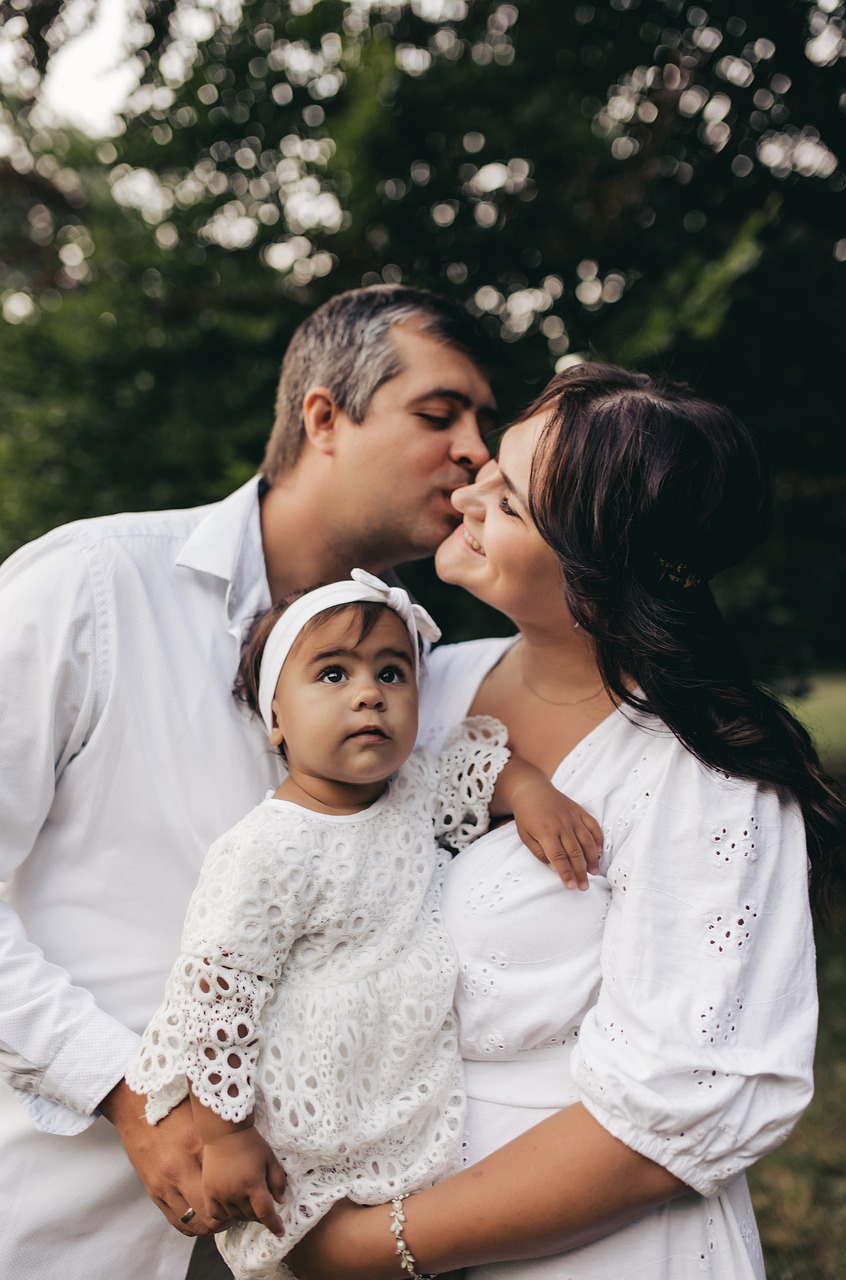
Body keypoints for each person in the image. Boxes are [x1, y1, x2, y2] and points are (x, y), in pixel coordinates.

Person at [285, 363, 846, 1280]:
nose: (465, 493)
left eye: (507, 503)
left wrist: (372, 1246)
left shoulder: (703, 778)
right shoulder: (427, 685)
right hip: (389, 1176)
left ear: (598, 567)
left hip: (588, 1251)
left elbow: (672, 1115)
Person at [0, 284, 498, 1280]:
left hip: (324, 1235)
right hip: (69, 1212)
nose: (478, 451)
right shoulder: (93, 587)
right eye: (439, 414)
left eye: (483, 424)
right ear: (323, 415)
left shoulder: (425, 674)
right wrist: (126, 1088)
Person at [126, 570, 600, 1280]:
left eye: (390, 672)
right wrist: (223, 1135)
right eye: (332, 674)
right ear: (276, 718)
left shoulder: (409, 792)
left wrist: (529, 791)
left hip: (385, 1091)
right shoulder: (266, 848)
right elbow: (217, 997)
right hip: (285, 1115)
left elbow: (476, 769)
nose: (368, 692)